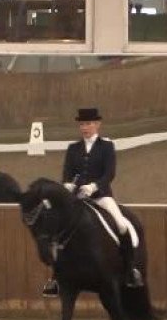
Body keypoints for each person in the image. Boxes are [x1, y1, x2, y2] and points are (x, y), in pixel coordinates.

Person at [42, 107, 144, 297]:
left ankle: (131, 271)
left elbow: (109, 173)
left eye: (88, 124)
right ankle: (55, 278)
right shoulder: (73, 148)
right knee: (57, 230)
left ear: (97, 124)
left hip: (101, 197)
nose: (85, 128)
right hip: (78, 198)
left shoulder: (106, 146)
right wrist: (68, 185)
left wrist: (94, 186)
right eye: (82, 124)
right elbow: (67, 173)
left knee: (122, 225)